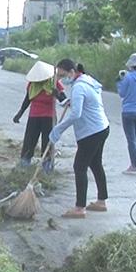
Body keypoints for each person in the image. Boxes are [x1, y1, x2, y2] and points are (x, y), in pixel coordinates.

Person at [49, 59, 110, 218]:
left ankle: (80, 207)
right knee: (95, 164)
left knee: (79, 166)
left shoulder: (79, 87)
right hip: (101, 127)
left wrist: (58, 129)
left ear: (71, 72)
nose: (62, 79)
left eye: (62, 75)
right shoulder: (87, 80)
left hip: (91, 132)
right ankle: (101, 201)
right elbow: (79, 104)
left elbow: (76, 113)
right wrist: (62, 99)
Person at [12, 60, 65, 171]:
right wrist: (19, 113)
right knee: (29, 141)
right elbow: (27, 100)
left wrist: (58, 94)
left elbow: (64, 100)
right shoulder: (33, 84)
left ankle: (47, 167)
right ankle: (24, 164)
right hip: (34, 116)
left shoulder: (54, 83)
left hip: (48, 116)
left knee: (47, 142)